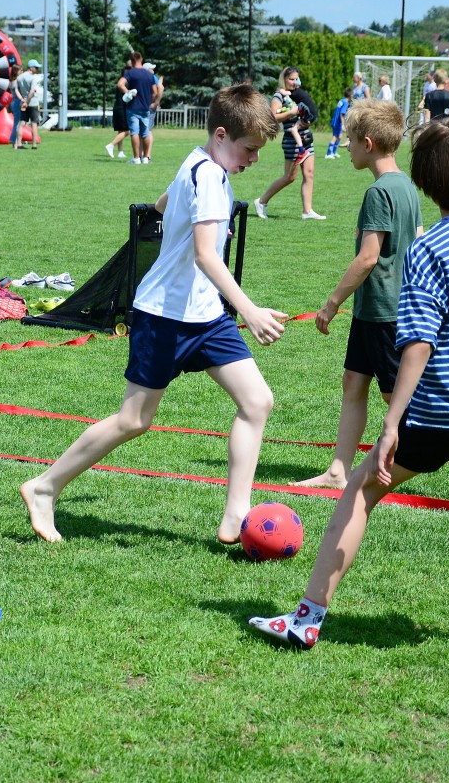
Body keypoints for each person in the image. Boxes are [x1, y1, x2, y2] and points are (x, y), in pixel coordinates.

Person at [251, 117, 449, 654]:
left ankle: (306, 619)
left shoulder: (429, 250)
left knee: (362, 488)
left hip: (445, 409)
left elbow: (419, 344)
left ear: (426, 179)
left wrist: (392, 421)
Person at [21, 83, 288, 545]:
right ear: (221, 135)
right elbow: (206, 255)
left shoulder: (199, 163)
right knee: (134, 420)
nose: (255, 159)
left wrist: (178, 216)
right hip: (164, 317)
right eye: (249, 148)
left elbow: (163, 204)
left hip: (205, 317)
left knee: (257, 402)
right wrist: (250, 310)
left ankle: (236, 515)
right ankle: (44, 487)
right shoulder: (208, 176)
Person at [295, 100, 423, 490]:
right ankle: (338, 470)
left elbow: (368, 258)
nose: (346, 146)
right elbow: (418, 240)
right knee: (353, 382)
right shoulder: (406, 185)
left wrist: (332, 303)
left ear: (368, 143)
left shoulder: (379, 192)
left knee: (398, 398)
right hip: (374, 310)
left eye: (350, 139)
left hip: (385, 311)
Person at [254, 66, 324, 221]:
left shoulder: (295, 94)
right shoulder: (278, 96)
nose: (294, 82)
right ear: (284, 79)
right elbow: (272, 116)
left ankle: (307, 211)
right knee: (289, 177)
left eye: (296, 79)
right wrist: (291, 113)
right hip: (292, 141)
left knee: (309, 173)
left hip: (306, 138)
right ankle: (261, 201)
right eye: (291, 79)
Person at [117, 51, 159, 164]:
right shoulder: (149, 74)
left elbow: (120, 84)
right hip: (146, 108)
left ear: (132, 61)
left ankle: (136, 158)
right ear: (141, 59)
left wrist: (127, 92)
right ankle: (145, 158)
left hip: (133, 107)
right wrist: (149, 101)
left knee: (134, 132)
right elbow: (155, 91)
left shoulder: (131, 73)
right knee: (145, 133)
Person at [14, 59, 42, 150]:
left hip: (23, 103)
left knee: (22, 123)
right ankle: (34, 145)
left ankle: (19, 144)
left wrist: (22, 99)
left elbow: (16, 90)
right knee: (34, 123)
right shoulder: (33, 78)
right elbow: (32, 91)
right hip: (32, 103)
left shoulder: (20, 77)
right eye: (36, 67)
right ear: (31, 67)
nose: (37, 69)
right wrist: (27, 102)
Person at [105, 61, 130, 158]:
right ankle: (111, 145)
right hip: (122, 108)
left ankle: (120, 152)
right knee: (128, 131)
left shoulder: (120, 81)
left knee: (121, 130)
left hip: (118, 107)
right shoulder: (126, 84)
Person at [326, 86, 352, 158]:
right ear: (351, 95)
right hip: (338, 122)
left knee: (339, 137)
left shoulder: (342, 100)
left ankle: (334, 152)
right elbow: (341, 113)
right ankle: (328, 154)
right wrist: (343, 125)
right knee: (335, 137)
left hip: (335, 121)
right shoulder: (345, 102)